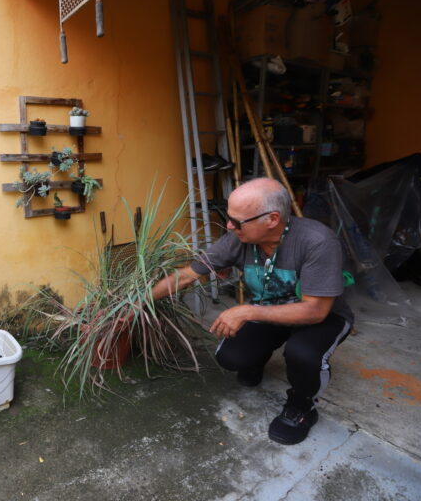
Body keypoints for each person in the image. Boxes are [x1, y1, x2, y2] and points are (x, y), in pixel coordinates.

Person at [151, 177, 353, 445]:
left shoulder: (317, 241)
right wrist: (137, 302)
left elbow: (315, 311)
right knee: (231, 357)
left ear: (272, 219)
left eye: (237, 221)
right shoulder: (239, 238)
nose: (229, 225)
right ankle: (257, 358)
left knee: (302, 354)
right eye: (229, 217)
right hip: (269, 309)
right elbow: (187, 275)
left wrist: (246, 311)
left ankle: (302, 407)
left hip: (322, 317)